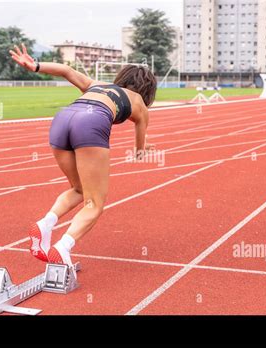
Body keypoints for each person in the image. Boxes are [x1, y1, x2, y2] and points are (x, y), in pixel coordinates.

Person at [9, 44, 157, 268]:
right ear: (147, 90)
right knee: (94, 203)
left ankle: (45, 224)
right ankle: (63, 247)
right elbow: (139, 150)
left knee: (79, 189)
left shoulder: (97, 84)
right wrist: (144, 149)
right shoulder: (139, 103)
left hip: (63, 118)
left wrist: (35, 65)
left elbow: (66, 70)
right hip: (91, 122)